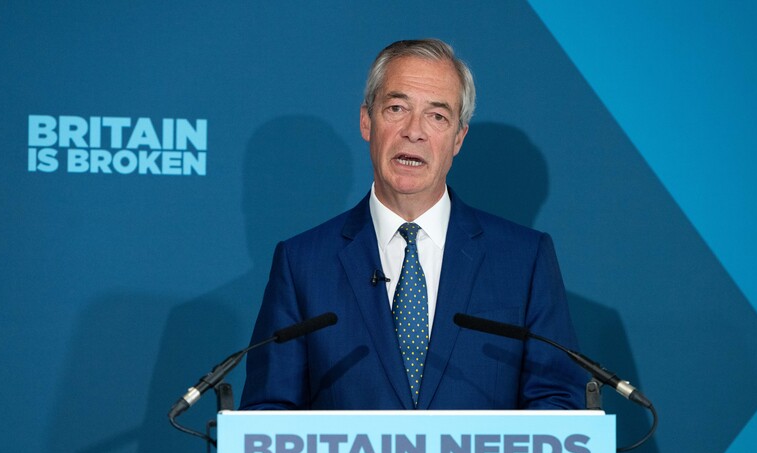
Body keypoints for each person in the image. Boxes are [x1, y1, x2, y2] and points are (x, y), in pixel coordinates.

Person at [240, 39, 586, 410]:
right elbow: (268, 413)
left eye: (437, 116)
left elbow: (558, 402)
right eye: (397, 108)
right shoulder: (303, 263)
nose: (414, 131)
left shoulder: (523, 259)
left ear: (458, 138)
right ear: (366, 121)